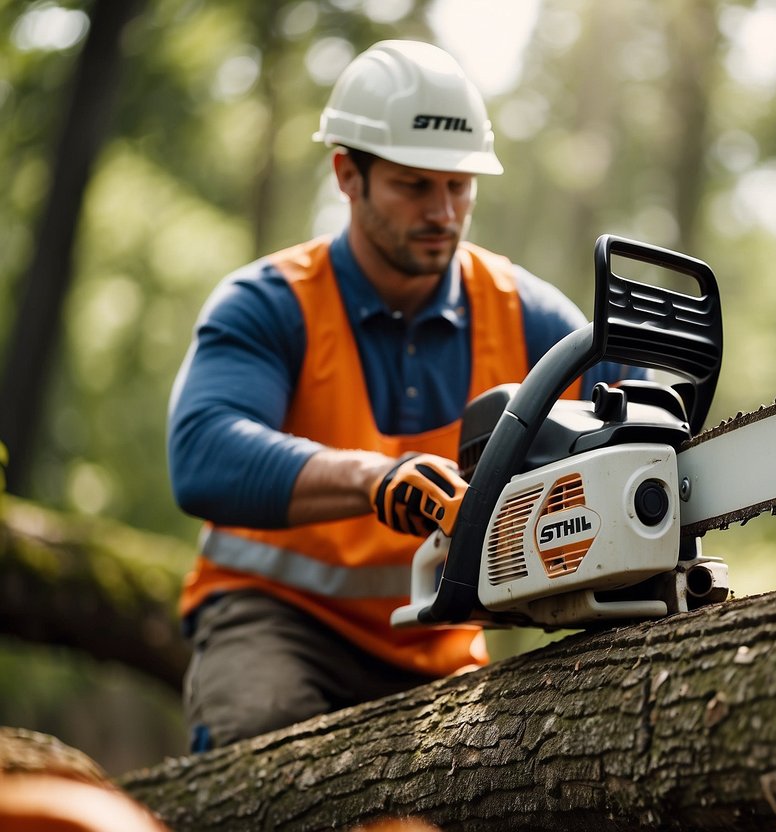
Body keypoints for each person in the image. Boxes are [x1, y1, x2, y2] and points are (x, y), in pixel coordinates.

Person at [167, 40, 643, 752]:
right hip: (277, 618)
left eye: (459, 187)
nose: (442, 212)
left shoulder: (528, 315)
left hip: (442, 636)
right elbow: (202, 453)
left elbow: (633, 423)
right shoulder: (268, 304)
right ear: (346, 175)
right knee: (266, 734)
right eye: (414, 186)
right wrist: (371, 478)